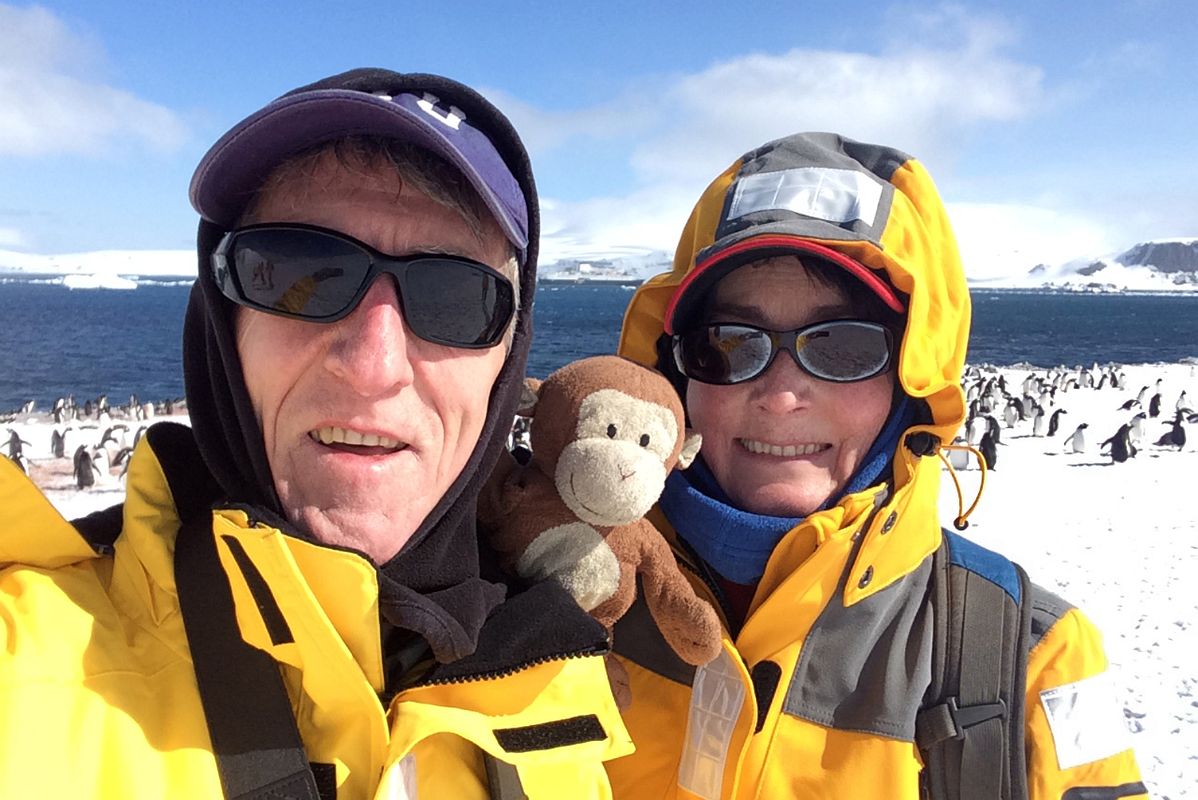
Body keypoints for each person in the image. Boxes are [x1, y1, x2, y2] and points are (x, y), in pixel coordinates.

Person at [0, 68, 630, 798]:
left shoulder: (555, 700)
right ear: (222, 323)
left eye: (455, 297)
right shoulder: (30, 663)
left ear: (508, 355)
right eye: (300, 272)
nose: (374, 365)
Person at [606, 133, 1146, 798]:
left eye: (840, 346)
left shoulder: (1031, 659)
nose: (778, 397)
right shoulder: (555, 594)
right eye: (729, 343)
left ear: (913, 378)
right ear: (673, 367)